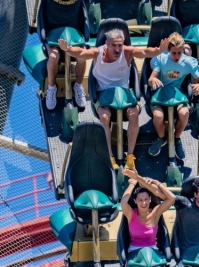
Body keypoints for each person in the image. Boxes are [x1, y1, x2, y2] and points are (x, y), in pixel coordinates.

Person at [59, 32, 169, 170]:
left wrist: (159, 50)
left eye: (120, 45)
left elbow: (145, 52)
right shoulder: (97, 53)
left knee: (134, 114)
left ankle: (130, 156)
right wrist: (68, 49)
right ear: (107, 44)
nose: (117, 49)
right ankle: (110, 156)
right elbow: (81, 52)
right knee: (105, 117)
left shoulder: (127, 52)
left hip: (124, 92)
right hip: (103, 93)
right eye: (114, 45)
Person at [120, 168, 175, 267]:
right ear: (136, 201)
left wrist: (156, 183)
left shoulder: (156, 213)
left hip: (153, 250)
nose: (143, 203)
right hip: (135, 251)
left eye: (146, 199)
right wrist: (133, 183)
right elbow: (123, 202)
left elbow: (171, 198)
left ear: (150, 200)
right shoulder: (131, 214)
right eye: (140, 200)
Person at [147, 32, 199, 159]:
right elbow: (151, 78)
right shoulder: (161, 58)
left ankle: (176, 138)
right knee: (158, 116)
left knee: (184, 113)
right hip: (160, 93)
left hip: (177, 94)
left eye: (179, 53)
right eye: (173, 53)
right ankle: (162, 138)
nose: (176, 56)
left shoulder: (188, 62)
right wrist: (153, 80)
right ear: (168, 50)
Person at [41, 0, 89, 111]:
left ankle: (78, 85)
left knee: (82, 56)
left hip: (74, 34)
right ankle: (51, 88)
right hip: (53, 35)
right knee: (53, 57)